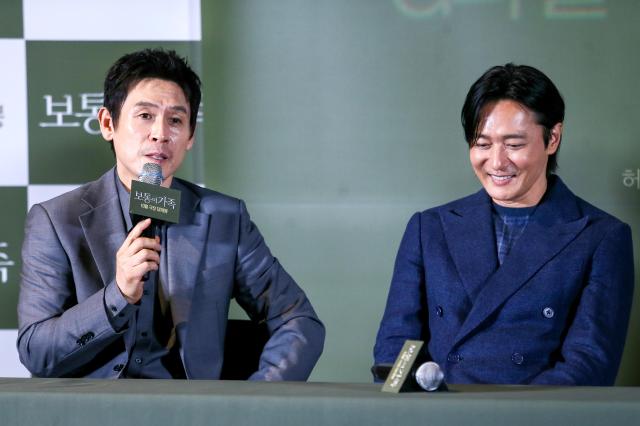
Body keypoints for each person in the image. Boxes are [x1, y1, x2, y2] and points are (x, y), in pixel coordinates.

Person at [17, 49, 324, 380]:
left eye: (175, 120)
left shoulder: (223, 217)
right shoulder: (56, 220)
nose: (160, 134)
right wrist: (116, 296)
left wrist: (254, 401)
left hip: (192, 412)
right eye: (145, 116)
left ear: (190, 136)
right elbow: (36, 351)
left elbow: (298, 320)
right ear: (108, 123)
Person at [373, 63, 634, 385]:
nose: (496, 162)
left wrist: (512, 415)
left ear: (552, 138)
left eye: (514, 145)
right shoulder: (429, 228)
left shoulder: (601, 236)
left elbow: (589, 362)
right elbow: (398, 346)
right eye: (482, 144)